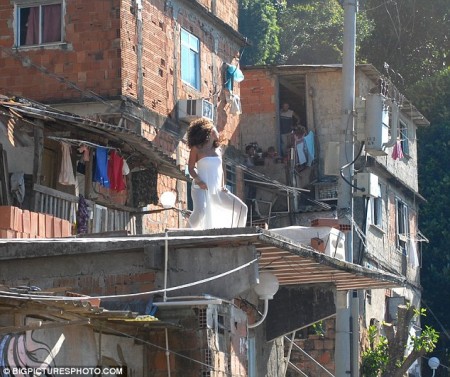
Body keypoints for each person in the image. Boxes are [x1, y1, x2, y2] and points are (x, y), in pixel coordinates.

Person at [187, 118, 248, 229]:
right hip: (201, 187)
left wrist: (223, 185)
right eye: (215, 129)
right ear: (209, 130)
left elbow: (221, 170)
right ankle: (185, 233)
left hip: (216, 191)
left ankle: (237, 234)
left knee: (241, 209)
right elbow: (191, 168)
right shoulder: (196, 148)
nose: (217, 132)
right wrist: (199, 180)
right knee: (201, 211)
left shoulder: (218, 150)